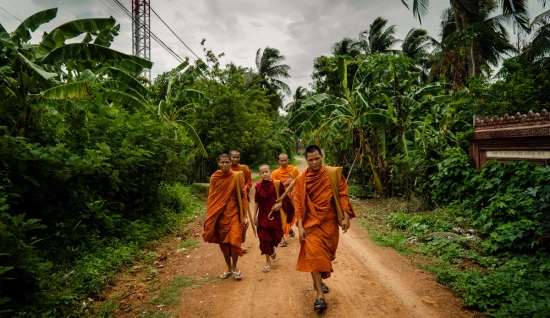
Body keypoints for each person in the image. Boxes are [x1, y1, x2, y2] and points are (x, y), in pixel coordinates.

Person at [294, 145, 356, 312]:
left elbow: (343, 193)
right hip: (310, 223)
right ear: (306, 160)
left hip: (329, 222)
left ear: (322, 156)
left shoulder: (333, 173)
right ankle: (319, 296)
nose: (314, 162)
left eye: (317, 158)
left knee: (326, 254)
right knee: (314, 255)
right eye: (311, 160)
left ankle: (319, 281)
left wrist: (346, 215)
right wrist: (299, 227)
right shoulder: (301, 179)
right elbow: (299, 204)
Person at [202, 153, 249, 281]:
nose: (225, 164)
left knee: (235, 241)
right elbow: (211, 198)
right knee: (224, 244)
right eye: (222, 162)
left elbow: (243, 196)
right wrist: (211, 216)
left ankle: (235, 267)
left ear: (230, 163)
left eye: (227, 162)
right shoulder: (215, 177)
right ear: (218, 163)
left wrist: (245, 215)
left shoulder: (237, 176)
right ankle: (229, 268)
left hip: (234, 213)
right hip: (220, 215)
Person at [252, 165, 295, 273]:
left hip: (275, 216)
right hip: (263, 216)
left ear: (270, 172)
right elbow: (256, 201)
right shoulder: (258, 186)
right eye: (262, 172)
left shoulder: (277, 184)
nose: (265, 174)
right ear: (259, 174)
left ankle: (272, 249)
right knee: (264, 239)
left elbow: (284, 198)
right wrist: (254, 215)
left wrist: (280, 205)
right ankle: (268, 262)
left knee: (276, 237)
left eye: (266, 172)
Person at [271, 153, 300, 246]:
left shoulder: (294, 170)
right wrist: (284, 183)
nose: (283, 162)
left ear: (288, 160)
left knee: (291, 217)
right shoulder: (275, 173)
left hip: (292, 197)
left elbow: (300, 182)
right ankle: (282, 240)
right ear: (278, 161)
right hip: (282, 198)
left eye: (285, 160)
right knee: (282, 217)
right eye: (281, 160)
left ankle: (289, 229)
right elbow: (273, 187)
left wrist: (295, 190)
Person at [229, 150, 253, 253]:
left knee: (243, 222)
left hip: (242, 200)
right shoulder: (226, 168)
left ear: (240, 158)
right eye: (233, 157)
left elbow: (249, 182)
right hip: (230, 200)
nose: (235, 159)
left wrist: (242, 189)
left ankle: (239, 244)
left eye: (237, 157)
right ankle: (232, 244)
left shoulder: (244, 169)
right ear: (230, 157)